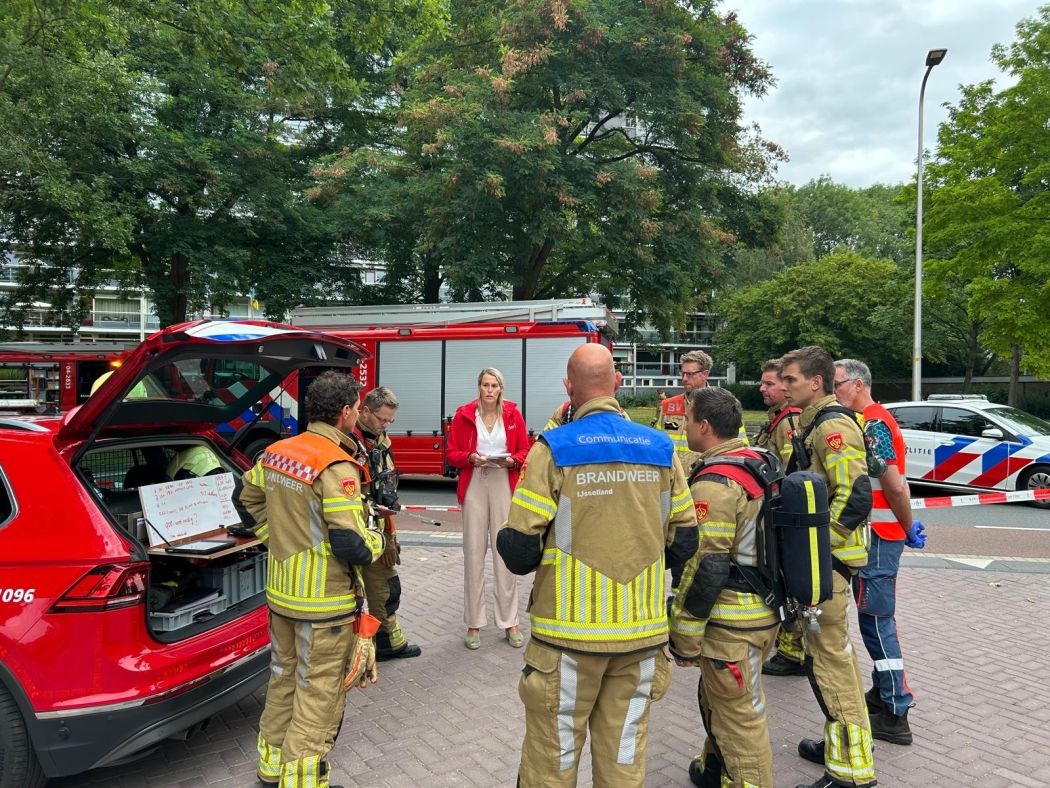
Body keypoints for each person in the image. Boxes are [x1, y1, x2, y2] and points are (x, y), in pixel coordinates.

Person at [497, 343, 697, 787]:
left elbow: (519, 550)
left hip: (566, 637)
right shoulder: (661, 447)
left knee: (553, 759)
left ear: (569, 389)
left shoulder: (554, 448)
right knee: (623, 757)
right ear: (618, 384)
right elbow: (685, 541)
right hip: (640, 636)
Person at [239, 371, 386, 788]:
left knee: (284, 680)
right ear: (344, 413)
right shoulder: (336, 464)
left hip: (281, 595)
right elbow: (350, 544)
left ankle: (270, 770)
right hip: (324, 604)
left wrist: (277, 541)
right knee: (318, 693)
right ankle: (303, 782)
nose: (359, 414)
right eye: (357, 408)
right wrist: (375, 538)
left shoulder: (277, 452)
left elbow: (245, 499)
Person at [670, 387, 780, 788]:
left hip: (732, 624)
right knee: (726, 704)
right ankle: (713, 771)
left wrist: (683, 638)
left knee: (741, 724)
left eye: (686, 419)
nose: (682, 426)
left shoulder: (715, 485)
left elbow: (706, 568)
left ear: (703, 425)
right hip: (763, 612)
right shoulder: (760, 464)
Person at [779, 346, 875, 788]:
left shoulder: (833, 426)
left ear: (816, 382)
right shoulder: (814, 423)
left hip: (830, 565)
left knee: (829, 662)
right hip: (830, 562)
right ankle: (845, 741)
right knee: (836, 655)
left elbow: (854, 497)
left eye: (792, 379)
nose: (784, 386)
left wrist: (817, 553)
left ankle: (852, 771)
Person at [834, 358, 924, 746]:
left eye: (837, 384)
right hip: (879, 536)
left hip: (880, 538)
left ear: (856, 384)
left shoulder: (872, 424)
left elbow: (895, 485)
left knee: (876, 622)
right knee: (874, 619)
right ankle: (882, 691)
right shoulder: (867, 422)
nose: (833, 391)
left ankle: (895, 709)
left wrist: (906, 527)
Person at [446, 367, 530, 649]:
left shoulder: (513, 415)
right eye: (485, 384)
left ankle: (510, 621)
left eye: (494, 385)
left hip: (503, 481)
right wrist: (470, 457)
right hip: (475, 482)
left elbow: (524, 450)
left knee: (504, 552)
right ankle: (473, 623)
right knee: (473, 553)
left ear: (501, 388)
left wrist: (513, 461)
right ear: (479, 387)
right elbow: (452, 453)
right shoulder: (464, 415)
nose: (490, 390)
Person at [355, 386, 422, 662]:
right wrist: (370, 508)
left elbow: (386, 476)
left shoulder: (380, 439)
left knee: (386, 587)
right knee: (358, 592)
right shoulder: (349, 441)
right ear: (365, 411)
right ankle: (368, 646)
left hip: (380, 525)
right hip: (357, 527)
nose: (386, 425)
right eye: (382, 419)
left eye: (390, 421)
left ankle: (386, 642)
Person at [756, 359, 807, 678]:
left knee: (787, 581)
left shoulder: (789, 422)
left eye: (769, 384)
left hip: (781, 514)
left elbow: (788, 474)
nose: (763, 388)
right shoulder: (777, 419)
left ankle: (793, 651)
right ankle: (790, 646)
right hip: (774, 513)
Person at [653, 350, 713, 471]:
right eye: (683, 373)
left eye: (690, 374)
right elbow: (657, 444)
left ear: (705, 374)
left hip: (704, 480)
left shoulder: (722, 406)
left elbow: (735, 451)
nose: (684, 379)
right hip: (671, 480)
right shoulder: (667, 405)